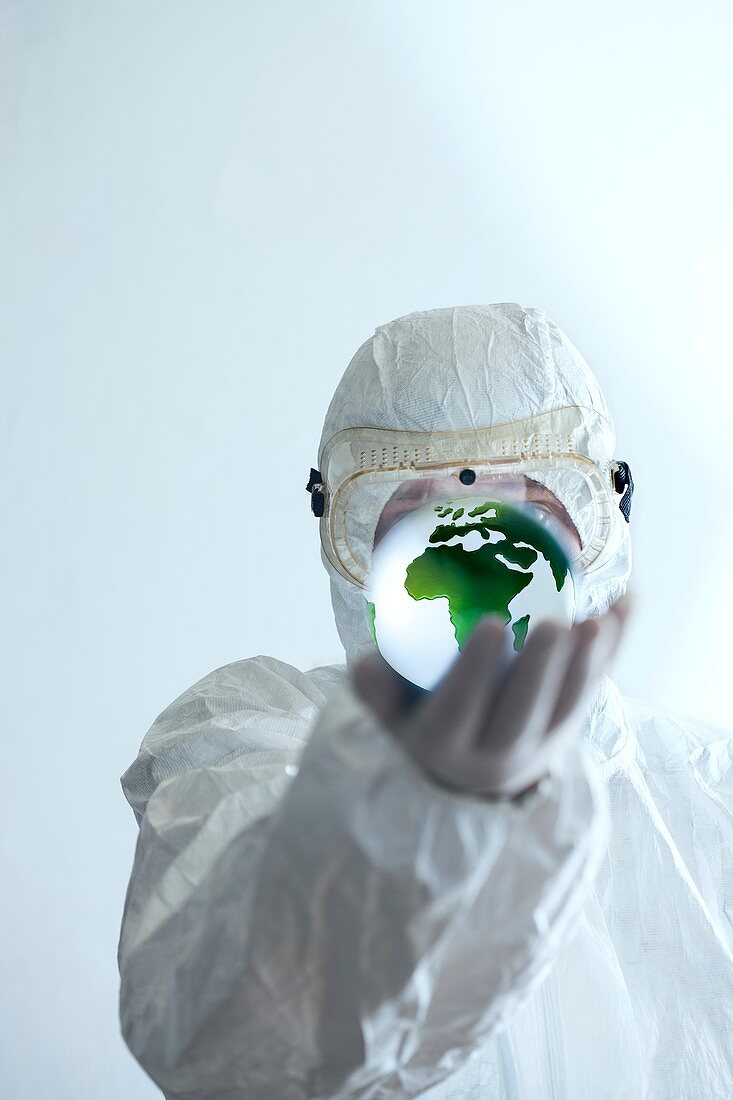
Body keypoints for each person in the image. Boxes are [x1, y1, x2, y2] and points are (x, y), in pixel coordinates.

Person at [118, 304, 733, 1099]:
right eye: (417, 514)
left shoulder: (708, 793)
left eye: (528, 509)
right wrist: (410, 826)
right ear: (353, 551)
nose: (470, 555)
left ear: (602, 519)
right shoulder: (249, 742)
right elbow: (232, 1043)